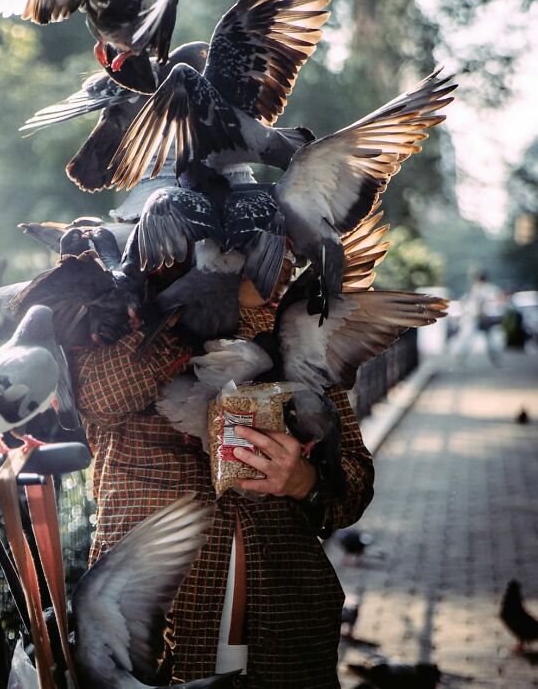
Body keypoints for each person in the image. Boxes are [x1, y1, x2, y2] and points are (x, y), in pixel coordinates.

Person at [69, 269, 374, 689]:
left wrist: (305, 481)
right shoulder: (121, 312)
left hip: (288, 626)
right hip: (155, 633)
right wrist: (194, 301)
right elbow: (99, 398)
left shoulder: (294, 325)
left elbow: (356, 484)